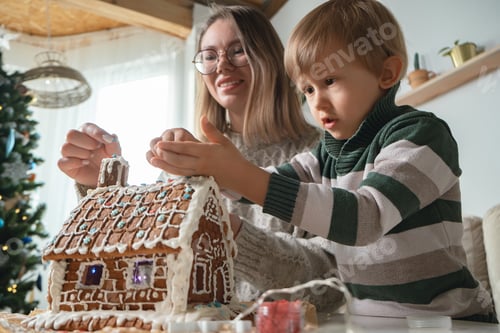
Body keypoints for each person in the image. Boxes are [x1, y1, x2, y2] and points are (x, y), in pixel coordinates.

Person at [146, 0, 497, 322]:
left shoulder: (421, 135)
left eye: (329, 80)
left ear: (387, 74)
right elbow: (264, 181)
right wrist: (206, 167)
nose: (316, 102)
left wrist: (238, 173)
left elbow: (365, 218)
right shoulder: (326, 151)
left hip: (450, 321)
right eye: (308, 90)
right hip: (366, 321)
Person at [57, 5, 344, 313]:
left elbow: (331, 284)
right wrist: (102, 188)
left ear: (270, 58)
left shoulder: (325, 155)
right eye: (209, 55)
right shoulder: (187, 158)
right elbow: (137, 265)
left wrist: (227, 234)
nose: (221, 65)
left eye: (238, 51)